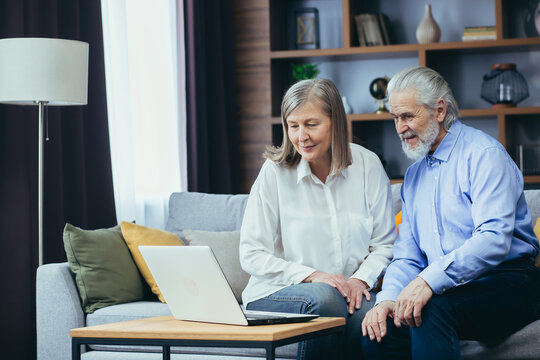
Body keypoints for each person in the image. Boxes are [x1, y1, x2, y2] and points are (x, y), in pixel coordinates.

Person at [361, 66, 540, 360]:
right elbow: (408, 256)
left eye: (408, 116)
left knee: (430, 311)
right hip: (451, 291)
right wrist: (388, 299)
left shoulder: (484, 155)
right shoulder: (413, 177)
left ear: (439, 110)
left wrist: (428, 281)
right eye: (395, 117)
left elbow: (494, 239)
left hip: (509, 282)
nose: (399, 128)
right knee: (379, 334)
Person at [239, 78, 396, 360]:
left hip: (348, 292)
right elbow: (251, 254)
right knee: (325, 297)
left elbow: (384, 244)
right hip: (277, 292)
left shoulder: (367, 165)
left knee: (370, 318)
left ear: (335, 121)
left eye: (311, 124)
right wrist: (312, 276)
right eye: (293, 125)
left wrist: (360, 280)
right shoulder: (274, 173)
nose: (301, 136)